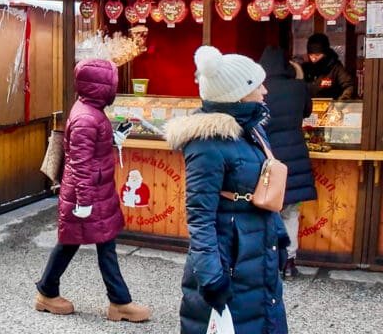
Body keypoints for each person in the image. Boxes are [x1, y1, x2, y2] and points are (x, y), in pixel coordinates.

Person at [166, 46, 288, 334]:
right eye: (258, 84)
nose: (265, 91)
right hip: (229, 259)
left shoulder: (252, 128)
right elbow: (200, 216)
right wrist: (211, 278)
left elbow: (262, 186)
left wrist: (279, 235)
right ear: (239, 93)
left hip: (258, 251)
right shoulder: (207, 143)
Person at [34, 58, 151, 323]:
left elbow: (87, 151)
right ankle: (116, 302)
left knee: (84, 243)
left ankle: (52, 291)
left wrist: (111, 138)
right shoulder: (88, 116)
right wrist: (85, 201)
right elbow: (81, 163)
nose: (114, 88)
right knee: (81, 244)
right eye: (112, 83)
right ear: (101, 86)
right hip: (88, 194)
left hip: (93, 192)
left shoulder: (89, 111)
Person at [260, 46, 315, 280]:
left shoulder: (258, 89)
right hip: (294, 156)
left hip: (267, 155)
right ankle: (289, 264)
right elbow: (307, 112)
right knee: (291, 211)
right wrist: (300, 76)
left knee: (266, 211)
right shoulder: (296, 87)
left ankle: (270, 261)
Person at [302, 33, 354, 99]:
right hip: (308, 106)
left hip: (331, 107)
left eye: (317, 55)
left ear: (325, 54)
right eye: (311, 55)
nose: (313, 59)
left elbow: (348, 85)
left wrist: (342, 100)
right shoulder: (305, 68)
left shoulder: (335, 67)